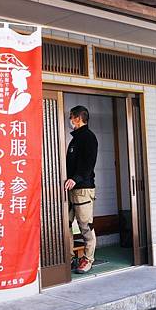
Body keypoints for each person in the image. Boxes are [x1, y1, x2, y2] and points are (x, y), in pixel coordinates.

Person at [65, 105, 98, 274]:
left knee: (85, 225)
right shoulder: (75, 139)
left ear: (78, 118)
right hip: (70, 189)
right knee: (66, 224)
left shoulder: (88, 138)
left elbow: (88, 164)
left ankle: (88, 258)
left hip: (83, 189)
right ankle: (70, 257)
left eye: (71, 117)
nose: (70, 120)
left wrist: (75, 179)